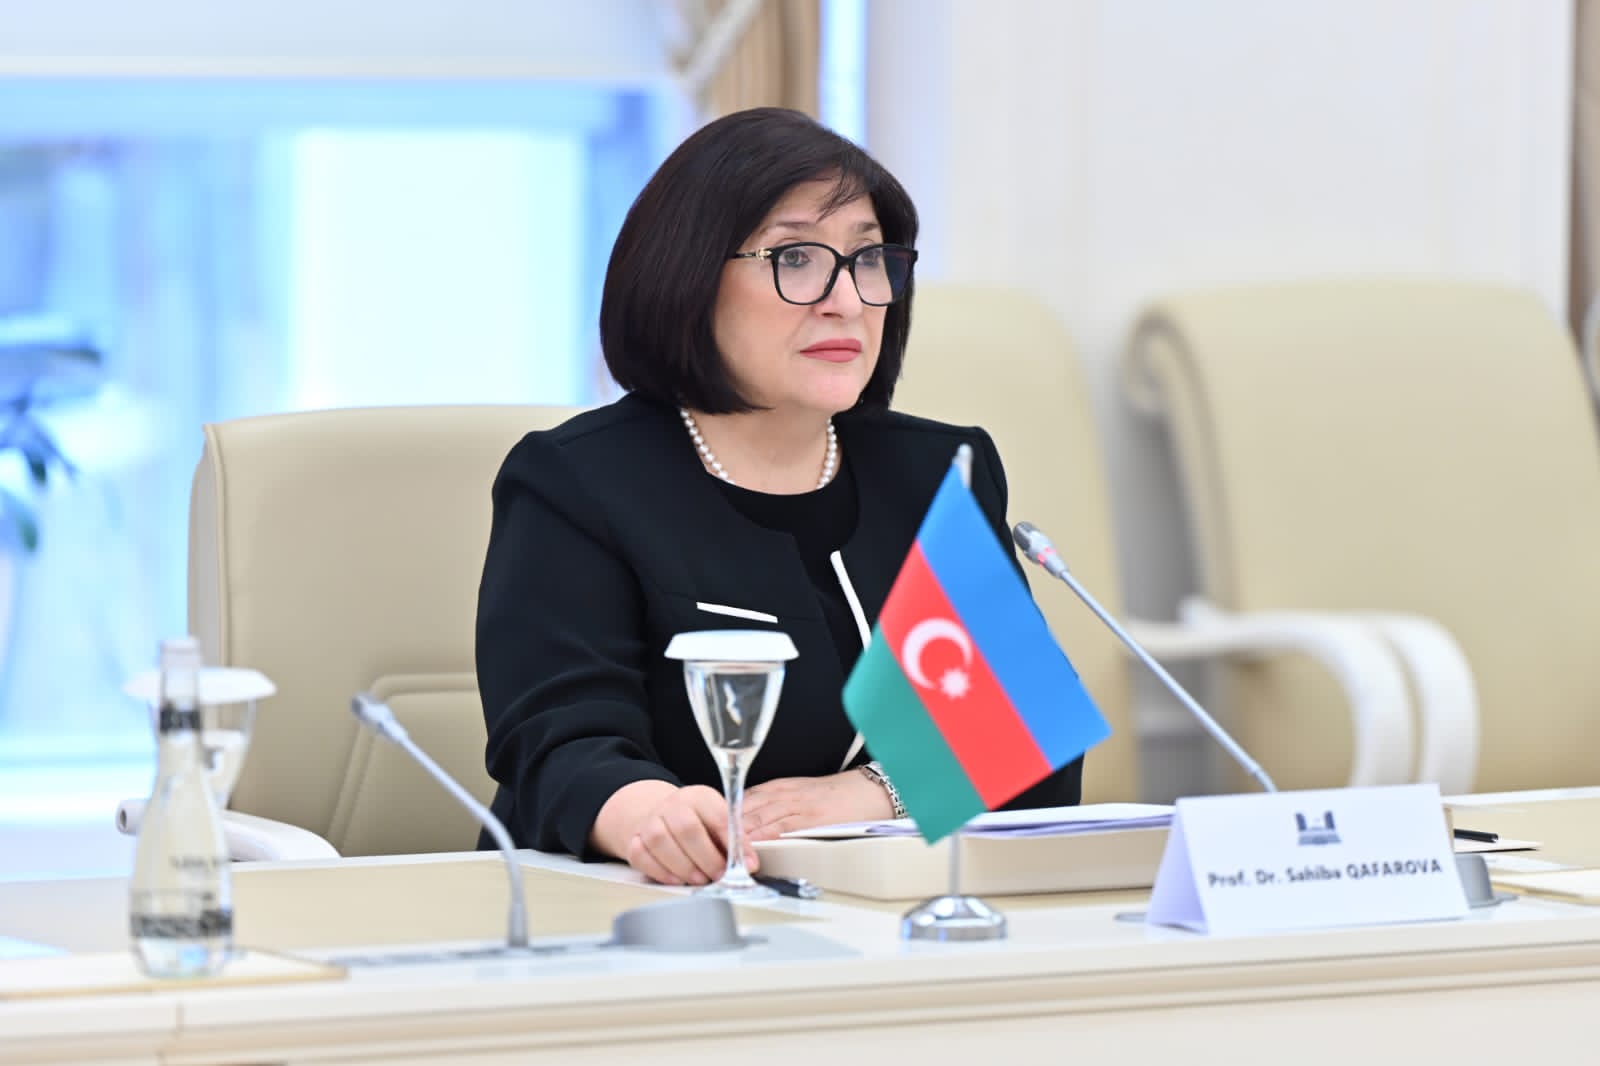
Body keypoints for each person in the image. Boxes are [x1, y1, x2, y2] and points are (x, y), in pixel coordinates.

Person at [476, 107, 1082, 887]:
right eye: (796, 257)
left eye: (868, 258)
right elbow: (559, 744)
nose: (846, 300)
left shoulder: (936, 473)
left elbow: (1025, 741)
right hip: (644, 908)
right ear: (689, 275)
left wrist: (872, 795)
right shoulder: (578, 482)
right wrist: (653, 817)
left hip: (896, 913)